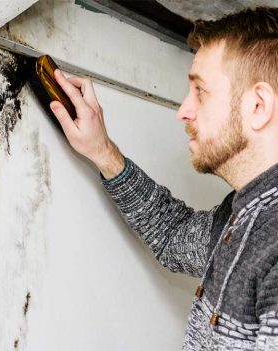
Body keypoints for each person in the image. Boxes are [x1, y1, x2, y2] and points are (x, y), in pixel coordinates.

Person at [49, 6, 278, 351]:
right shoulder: (243, 213)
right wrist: (102, 150)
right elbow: (174, 235)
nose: (183, 110)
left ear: (258, 106)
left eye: (200, 91)